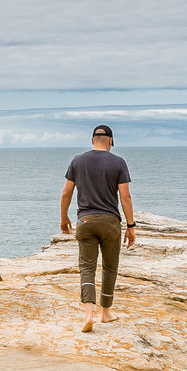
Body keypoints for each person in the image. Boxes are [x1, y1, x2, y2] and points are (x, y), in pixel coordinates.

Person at [58, 124, 135, 331]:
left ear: (93, 140)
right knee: (109, 267)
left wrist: (64, 217)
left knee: (86, 267)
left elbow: (66, 193)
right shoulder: (119, 162)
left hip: (85, 221)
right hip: (110, 222)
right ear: (110, 141)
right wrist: (130, 225)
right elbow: (125, 196)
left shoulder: (77, 161)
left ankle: (88, 314)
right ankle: (105, 312)